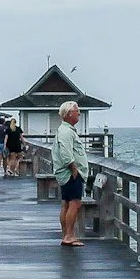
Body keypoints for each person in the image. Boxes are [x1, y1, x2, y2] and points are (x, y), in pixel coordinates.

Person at [53, 104, 89, 246]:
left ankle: (66, 235)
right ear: (68, 114)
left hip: (67, 173)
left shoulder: (65, 130)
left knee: (66, 204)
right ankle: (69, 235)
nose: (79, 113)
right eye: (77, 111)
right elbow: (66, 153)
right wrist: (74, 169)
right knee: (74, 203)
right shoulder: (66, 132)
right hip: (70, 173)